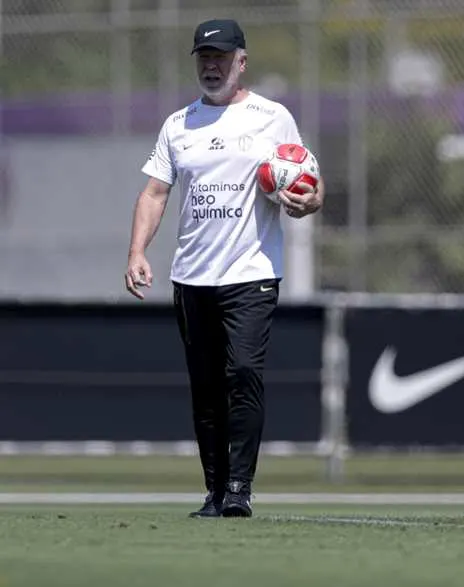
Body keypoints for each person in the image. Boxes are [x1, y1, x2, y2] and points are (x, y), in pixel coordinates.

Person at [124, 18, 324, 518]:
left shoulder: (272, 117)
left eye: (221, 57)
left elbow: (310, 183)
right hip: (192, 276)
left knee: (243, 373)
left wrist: (307, 202)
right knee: (207, 387)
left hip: (251, 273)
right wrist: (136, 252)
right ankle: (214, 493)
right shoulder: (179, 124)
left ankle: (239, 488)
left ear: (242, 62)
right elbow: (154, 192)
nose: (211, 66)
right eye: (203, 58)